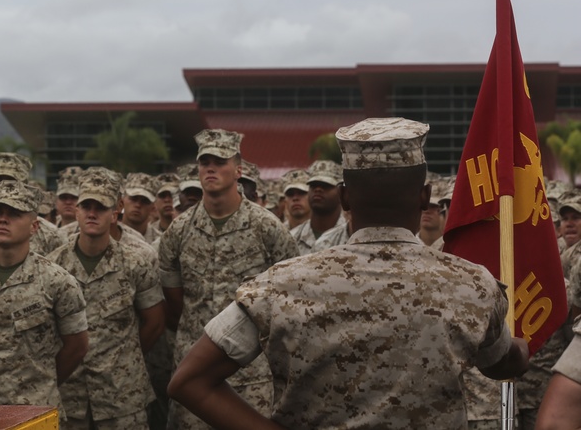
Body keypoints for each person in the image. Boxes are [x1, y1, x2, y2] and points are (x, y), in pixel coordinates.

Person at [169, 117, 530, 430]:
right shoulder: (471, 285)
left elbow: (189, 381)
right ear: (424, 197)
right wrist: (521, 349)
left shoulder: (278, 286)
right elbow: (500, 366)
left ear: (344, 198)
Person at [158, 129, 298, 429]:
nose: (211, 168)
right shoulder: (178, 231)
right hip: (192, 370)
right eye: (204, 161)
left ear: (239, 170)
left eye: (220, 161)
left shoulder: (268, 228)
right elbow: (174, 301)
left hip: (251, 376)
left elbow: (287, 300)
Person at [0, 180, 89, 421]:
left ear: (34, 226)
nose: (4, 219)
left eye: (14, 214)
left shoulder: (58, 281)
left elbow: (76, 345)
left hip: (34, 409)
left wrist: (41, 379)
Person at [49, 167, 165, 429]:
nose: (92, 213)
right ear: (76, 211)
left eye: (100, 207)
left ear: (115, 213)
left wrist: (121, 359)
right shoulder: (53, 266)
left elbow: (155, 322)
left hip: (122, 397)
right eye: (86, 206)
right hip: (69, 396)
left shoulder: (136, 263)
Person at [288, 160, 345, 255]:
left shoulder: (350, 235)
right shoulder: (292, 238)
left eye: (326, 185)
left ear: (341, 192)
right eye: (313, 185)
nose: (318, 189)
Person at [121, 172, 162, 245]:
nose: (138, 205)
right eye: (133, 198)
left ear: (153, 207)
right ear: (122, 201)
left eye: (145, 200)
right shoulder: (109, 234)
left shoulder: (160, 242)